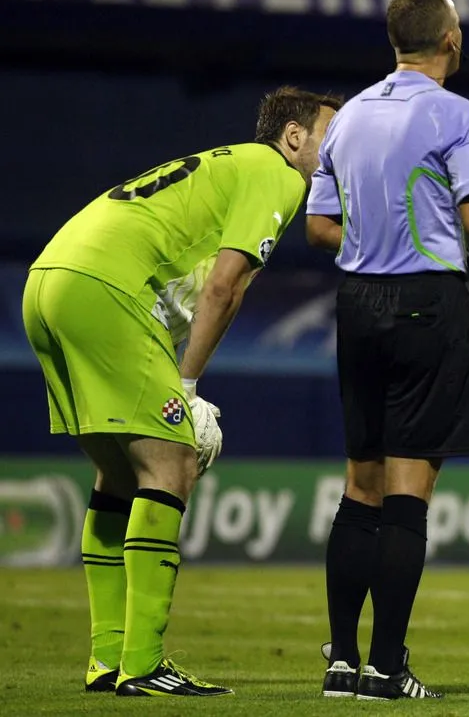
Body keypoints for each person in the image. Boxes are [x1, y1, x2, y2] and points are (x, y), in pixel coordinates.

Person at [22, 87, 340, 697]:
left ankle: (108, 660)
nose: (341, 148)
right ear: (294, 137)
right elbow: (225, 287)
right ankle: (144, 664)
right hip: (105, 288)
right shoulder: (277, 174)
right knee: (173, 462)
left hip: (49, 281)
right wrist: (187, 387)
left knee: (120, 475)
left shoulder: (226, 164)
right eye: (333, 133)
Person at [306, 0, 469, 701]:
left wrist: (375, 234)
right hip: (428, 299)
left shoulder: (350, 116)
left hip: (357, 302)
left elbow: (320, 225)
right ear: (451, 41)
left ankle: (340, 664)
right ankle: (387, 669)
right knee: (407, 494)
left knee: (358, 484)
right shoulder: (459, 115)